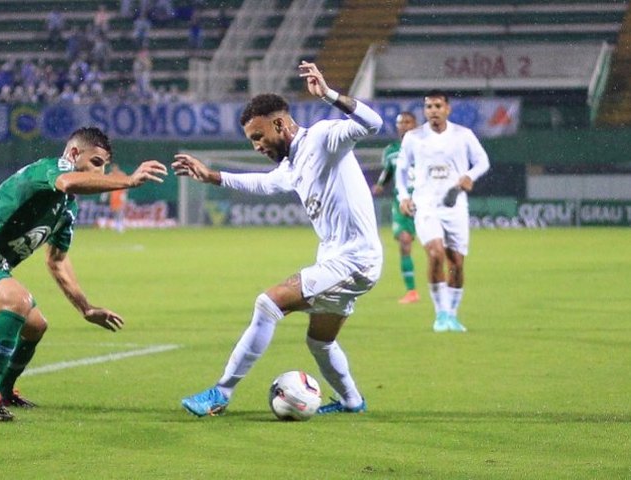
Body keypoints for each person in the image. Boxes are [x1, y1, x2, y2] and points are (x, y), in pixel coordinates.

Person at [172, 61, 384, 417]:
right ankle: (352, 401)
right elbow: (264, 182)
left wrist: (329, 95)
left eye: (258, 136)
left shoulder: (323, 137)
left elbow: (374, 124)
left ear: (280, 124)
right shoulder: (292, 165)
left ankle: (221, 393)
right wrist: (212, 177)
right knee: (320, 341)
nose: (256, 146)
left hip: (355, 258)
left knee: (268, 303)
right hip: (340, 260)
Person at [0, 127, 167, 421]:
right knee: (18, 302)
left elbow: (57, 261)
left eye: (105, 165)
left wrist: (86, 308)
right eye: (97, 162)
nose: (102, 171)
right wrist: (127, 181)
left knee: (36, 326)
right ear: (73, 154)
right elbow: (68, 180)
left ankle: (6, 391)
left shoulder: (67, 209)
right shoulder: (51, 169)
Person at [395, 90, 490, 333]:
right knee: (435, 254)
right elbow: (402, 169)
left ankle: (453, 315)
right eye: (429, 107)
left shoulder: (463, 135)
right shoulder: (414, 137)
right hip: (425, 205)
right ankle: (440, 314)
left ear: (448, 109)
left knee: (456, 263)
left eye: (438, 106)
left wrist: (469, 176)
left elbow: (483, 161)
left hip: (455, 205)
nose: (433, 111)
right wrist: (403, 196)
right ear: (425, 111)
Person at [372, 111, 420, 304]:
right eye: (400, 122)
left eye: (408, 122)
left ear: (415, 124)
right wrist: (381, 185)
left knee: (437, 246)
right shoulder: (391, 150)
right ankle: (412, 291)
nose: (404, 125)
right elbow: (388, 171)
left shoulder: (426, 146)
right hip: (402, 201)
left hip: (425, 201)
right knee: (404, 241)